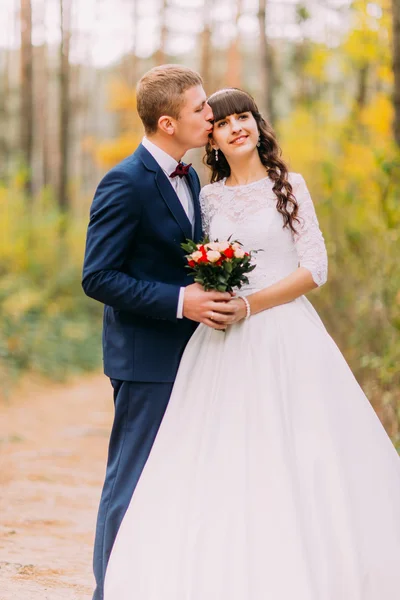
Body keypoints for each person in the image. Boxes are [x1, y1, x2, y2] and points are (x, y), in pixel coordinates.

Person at [103, 87, 400, 600]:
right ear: (212, 138)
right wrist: (216, 296)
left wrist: (250, 306)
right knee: (219, 456)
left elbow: (316, 268)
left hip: (286, 335)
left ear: (259, 126)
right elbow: (191, 261)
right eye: (223, 121)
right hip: (219, 344)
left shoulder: (291, 186)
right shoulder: (206, 195)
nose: (237, 126)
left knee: (301, 451)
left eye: (245, 116)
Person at [82, 66, 238, 600]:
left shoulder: (190, 175)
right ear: (167, 122)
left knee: (174, 480)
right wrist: (181, 302)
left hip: (192, 355)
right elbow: (97, 276)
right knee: (128, 483)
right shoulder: (123, 182)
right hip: (145, 360)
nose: (210, 114)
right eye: (199, 109)